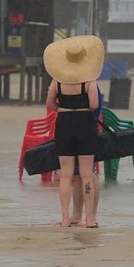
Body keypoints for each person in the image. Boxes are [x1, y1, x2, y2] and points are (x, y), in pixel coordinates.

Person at [44, 35, 104, 228]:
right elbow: (94, 105)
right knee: (87, 173)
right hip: (85, 124)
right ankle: (89, 219)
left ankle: (65, 218)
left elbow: (50, 104)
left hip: (64, 123)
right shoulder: (90, 82)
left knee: (65, 175)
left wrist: (64, 108)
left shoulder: (56, 83)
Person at [71, 83, 103, 226]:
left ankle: (92, 214)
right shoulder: (72, 85)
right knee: (77, 174)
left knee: (89, 172)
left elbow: (94, 106)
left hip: (87, 129)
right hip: (73, 130)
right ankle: (76, 214)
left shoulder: (91, 85)